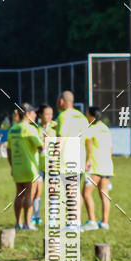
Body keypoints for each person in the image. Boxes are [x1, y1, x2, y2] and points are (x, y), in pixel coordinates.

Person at [55, 91, 88, 231]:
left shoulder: (63, 116)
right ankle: (77, 222)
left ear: (62, 101)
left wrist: (54, 157)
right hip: (80, 158)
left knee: (70, 192)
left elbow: (61, 138)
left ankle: (73, 223)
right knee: (75, 191)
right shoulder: (81, 117)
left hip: (68, 158)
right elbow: (88, 139)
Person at [6, 104, 43, 230]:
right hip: (30, 167)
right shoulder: (30, 129)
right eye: (33, 113)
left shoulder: (13, 129)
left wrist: (12, 166)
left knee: (19, 194)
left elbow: (9, 151)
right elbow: (41, 148)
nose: (35, 115)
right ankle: (27, 223)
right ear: (27, 114)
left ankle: (18, 223)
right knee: (29, 195)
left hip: (17, 166)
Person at [82, 106, 113, 231]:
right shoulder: (106, 129)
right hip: (107, 166)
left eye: (87, 114)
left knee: (86, 193)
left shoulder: (91, 129)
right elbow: (110, 148)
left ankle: (92, 221)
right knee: (104, 194)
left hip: (95, 166)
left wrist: (88, 160)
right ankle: (105, 222)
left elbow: (89, 146)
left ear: (91, 116)